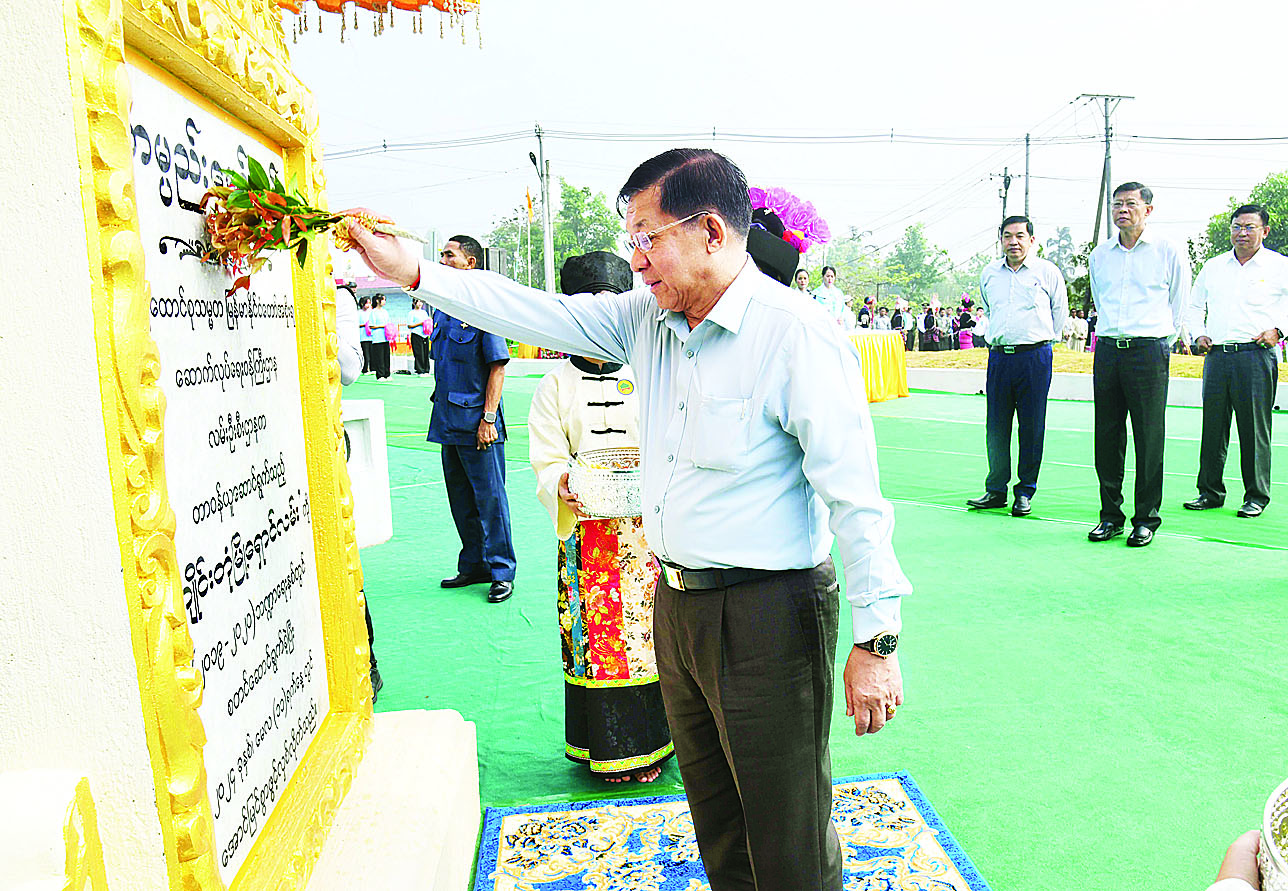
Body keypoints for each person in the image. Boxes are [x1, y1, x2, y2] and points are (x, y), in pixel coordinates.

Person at [343, 147, 909, 891]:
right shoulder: (647, 321)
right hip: (675, 605)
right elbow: (533, 310)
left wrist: (877, 639)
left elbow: (856, 496)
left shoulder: (793, 333)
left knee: (788, 837)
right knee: (718, 822)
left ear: (711, 231)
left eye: (648, 238)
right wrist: (416, 272)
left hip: (770, 614)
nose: (635, 260)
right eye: (630, 240)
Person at [527, 251, 674, 785]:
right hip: (586, 539)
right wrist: (560, 483)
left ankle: (657, 744)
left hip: (646, 535)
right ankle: (608, 748)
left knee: (651, 638)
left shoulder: (648, 370)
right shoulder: (554, 385)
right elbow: (546, 456)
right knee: (598, 643)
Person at [1183, 204, 1288, 519]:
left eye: (1250, 227)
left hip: (1255, 355)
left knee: (1253, 428)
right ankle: (1209, 492)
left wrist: (1280, 330)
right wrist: (1199, 334)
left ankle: (1256, 495)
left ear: (1265, 231)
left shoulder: (1281, 266)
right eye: (1237, 226)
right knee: (1213, 427)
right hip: (1217, 356)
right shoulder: (1214, 266)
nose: (1242, 233)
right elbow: (1194, 306)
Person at [1084, 182, 1190, 548]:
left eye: (1130, 204)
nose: (1122, 211)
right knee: (1107, 435)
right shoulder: (1100, 255)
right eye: (1117, 205)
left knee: (1149, 436)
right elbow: (1100, 298)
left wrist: (1161, 341)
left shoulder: (1167, 250)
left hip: (1148, 351)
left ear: (1148, 209)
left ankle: (1145, 519)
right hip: (1108, 350)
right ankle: (1110, 516)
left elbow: (1179, 302)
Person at [429, 235, 516, 603]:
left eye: (450, 255)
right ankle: (474, 565)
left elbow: (497, 366)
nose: (443, 260)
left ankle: (502, 571)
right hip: (447, 420)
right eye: (442, 255)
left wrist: (489, 418)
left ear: (470, 263)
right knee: (461, 499)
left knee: (491, 500)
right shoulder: (441, 308)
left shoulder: (483, 307)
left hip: (479, 423)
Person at [966, 216, 1069, 518]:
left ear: (1032, 240)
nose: (1013, 242)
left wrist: (1043, 341)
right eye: (1007, 236)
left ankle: (1025, 491)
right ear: (1000, 240)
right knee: (996, 426)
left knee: (1031, 425)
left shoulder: (1047, 272)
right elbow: (989, 308)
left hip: (1034, 357)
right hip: (1000, 357)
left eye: (1020, 236)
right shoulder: (990, 274)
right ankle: (996, 489)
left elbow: (1059, 312)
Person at [335, 285, 383, 700]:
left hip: (320, 438)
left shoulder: (334, 296)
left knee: (339, 550)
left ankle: (366, 662)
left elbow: (349, 369)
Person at [367, 294, 392, 380]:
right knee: (379, 357)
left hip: (386, 337)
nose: (384, 302)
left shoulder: (385, 312)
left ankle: (387, 374)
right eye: (383, 299)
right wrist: (382, 326)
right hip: (377, 338)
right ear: (377, 301)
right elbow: (371, 326)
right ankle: (380, 375)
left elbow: (388, 323)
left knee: (386, 357)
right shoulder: (373, 312)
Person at [405, 297, 431, 374]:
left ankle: (426, 369)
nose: (420, 304)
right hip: (416, 334)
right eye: (418, 302)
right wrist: (420, 323)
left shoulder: (424, 312)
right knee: (419, 353)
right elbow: (409, 325)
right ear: (414, 303)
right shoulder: (411, 313)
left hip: (425, 334)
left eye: (421, 302)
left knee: (426, 352)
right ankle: (420, 370)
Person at [357, 294, 372, 374]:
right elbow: (357, 324)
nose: (368, 305)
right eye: (367, 303)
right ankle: (364, 369)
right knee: (365, 354)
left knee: (372, 353)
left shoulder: (371, 312)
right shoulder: (358, 313)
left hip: (371, 336)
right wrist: (365, 325)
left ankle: (372, 368)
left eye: (369, 303)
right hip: (363, 336)